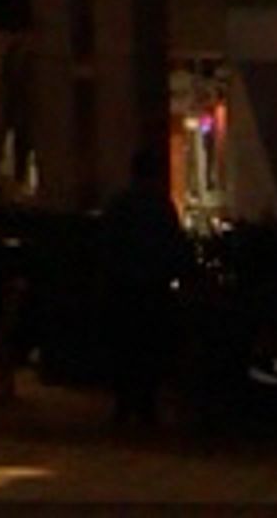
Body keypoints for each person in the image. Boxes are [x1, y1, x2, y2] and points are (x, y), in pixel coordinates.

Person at [99, 146, 192, 427]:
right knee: (150, 348)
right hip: (153, 287)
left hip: (123, 287)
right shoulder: (160, 206)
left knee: (124, 347)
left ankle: (124, 403)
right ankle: (146, 404)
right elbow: (174, 246)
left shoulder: (119, 204)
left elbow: (107, 245)